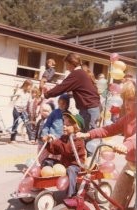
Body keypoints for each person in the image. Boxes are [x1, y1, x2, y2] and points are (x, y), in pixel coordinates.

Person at [76, 81, 136, 209]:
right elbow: (110, 129)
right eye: (125, 99)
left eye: (130, 99)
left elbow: (135, 139)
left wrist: (125, 145)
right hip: (131, 164)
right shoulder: (127, 118)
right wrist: (88, 134)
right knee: (116, 200)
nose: (126, 104)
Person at [44, 52, 100, 133]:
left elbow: (62, 87)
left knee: (88, 135)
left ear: (72, 63)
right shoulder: (81, 73)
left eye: (67, 64)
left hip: (89, 109)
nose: (66, 68)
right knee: (84, 134)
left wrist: (47, 94)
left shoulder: (77, 73)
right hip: (89, 107)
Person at [42, 113, 86, 198]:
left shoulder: (78, 140)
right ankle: (42, 186)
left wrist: (55, 141)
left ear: (75, 127)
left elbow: (68, 150)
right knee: (47, 161)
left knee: (71, 170)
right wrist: (49, 143)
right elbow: (55, 151)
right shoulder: (64, 137)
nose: (64, 126)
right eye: (64, 124)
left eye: (68, 125)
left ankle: (71, 194)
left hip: (76, 165)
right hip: (64, 164)